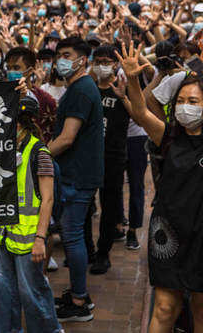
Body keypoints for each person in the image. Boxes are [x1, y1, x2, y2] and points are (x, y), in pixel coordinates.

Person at [117, 41, 203, 333]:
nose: (185, 108)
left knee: (200, 310)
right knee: (165, 307)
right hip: (168, 232)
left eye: (193, 102)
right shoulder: (168, 136)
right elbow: (140, 111)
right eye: (180, 101)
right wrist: (132, 78)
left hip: (202, 233)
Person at [0, 96, 61, 333]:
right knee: (3, 289)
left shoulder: (39, 152)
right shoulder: (0, 149)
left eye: (15, 121)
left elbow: (47, 199)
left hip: (29, 238)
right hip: (2, 234)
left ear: (26, 123)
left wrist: (41, 238)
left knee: (31, 291)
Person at [47, 37, 104, 322]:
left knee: (71, 237)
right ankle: (78, 293)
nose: (60, 60)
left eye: (66, 55)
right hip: (76, 173)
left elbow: (67, 138)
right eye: (58, 55)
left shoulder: (81, 89)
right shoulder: (78, 87)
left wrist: (39, 155)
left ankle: (79, 301)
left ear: (83, 59)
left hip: (77, 176)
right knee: (74, 235)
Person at [88, 45, 133, 275]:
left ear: (115, 64)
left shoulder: (122, 88)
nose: (102, 65)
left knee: (109, 206)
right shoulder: (88, 88)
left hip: (113, 157)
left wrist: (124, 97)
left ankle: (103, 253)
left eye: (107, 61)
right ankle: (87, 250)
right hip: (88, 155)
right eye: (98, 60)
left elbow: (138, 114)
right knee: (86, 205)